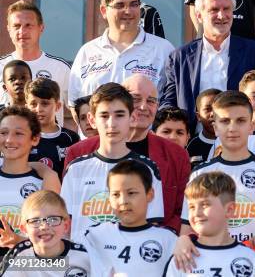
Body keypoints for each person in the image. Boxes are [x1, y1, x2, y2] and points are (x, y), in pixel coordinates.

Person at [64, 74, 190, 234]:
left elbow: (182, 213)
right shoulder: (78, 153)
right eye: (136, 99)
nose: (143, 107)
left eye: (151, 101)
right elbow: (67, 216)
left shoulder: (176, 155)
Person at [60, 83, 164, 244]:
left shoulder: (147, 169)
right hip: (83, 263)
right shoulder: (75, 170)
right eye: (104, 115)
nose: (112, 123)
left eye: (120, 115)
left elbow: (152, 227)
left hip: (128, 264)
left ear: (133, 118)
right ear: (92, 120)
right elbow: (64, 228)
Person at [160, 0, 255, 131]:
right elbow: (169, 102)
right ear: (199, 16)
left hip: (243, 141)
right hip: (193, 143)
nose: (221, 15)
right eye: (214, 10)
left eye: (226, 9)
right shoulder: (179, 58)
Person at [179, 91, 255, 241]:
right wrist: (183, 242)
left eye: (240, 121)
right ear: (215, 127)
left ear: (251, 126)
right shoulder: (200, 174)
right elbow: (187, 229)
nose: (232, 128)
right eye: (225, 121)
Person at [68, 0, 174, 107]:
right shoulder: (87, 52)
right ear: (103, 11)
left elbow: (171, 101)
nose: (128, 11)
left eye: (134, 4)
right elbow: (75, 104)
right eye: (120, 5)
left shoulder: (163, 49)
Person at [84, 160, 177, 276]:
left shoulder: (169, 240)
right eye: (116, 195)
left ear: (150, 194)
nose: (123, 201)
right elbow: (62, 263)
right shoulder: (93, 235)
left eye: (131, 193)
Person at [164, 171, 255, 276]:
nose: (197, 213)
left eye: (205, 205)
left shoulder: (251, 259)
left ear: (230, 210)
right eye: (192, 207)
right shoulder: (182, 258)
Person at [0, 106, 60, 256]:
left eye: (18, 133)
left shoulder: (45, 181)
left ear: (35, 139)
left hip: (28, 266)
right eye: (3, 133)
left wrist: (19, 241)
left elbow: (56, 240)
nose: (9, 140)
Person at [0, 0, 70, 126]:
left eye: (28, 25)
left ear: (41, 28)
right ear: (9, 30)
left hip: (50, 143)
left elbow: (78, 109)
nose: (22, 31)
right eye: (16, 26)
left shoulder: (60, 68)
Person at [0, 191, 91, 276]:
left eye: (53, 219)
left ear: (66, 226)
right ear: (24, 229)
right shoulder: (19, 254)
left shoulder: (85, 256)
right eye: (35, 221)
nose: (44, 226)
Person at [25, 78, 79, 177]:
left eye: (45, 103)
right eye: (33, 104)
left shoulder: (72, 138)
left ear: (58, 106)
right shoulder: (23, 138)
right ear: (26, 107)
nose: (38, 109)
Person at [186, 88, 220, 168]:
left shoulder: (235, 142)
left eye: (217, 108)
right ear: (198, 116)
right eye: (207, 109)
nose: (212, 113)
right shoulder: (190, 145)